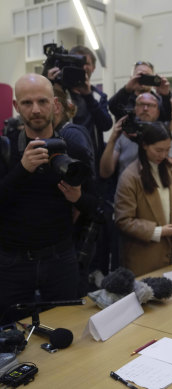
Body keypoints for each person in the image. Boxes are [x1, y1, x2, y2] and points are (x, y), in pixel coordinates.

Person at [0, 74, 96, 324]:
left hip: (60, 259)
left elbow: (96, 208)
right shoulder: (5, 149)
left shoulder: (73, 151)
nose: (35, 110)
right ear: (16, 106)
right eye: (27, 103)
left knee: (65, 330)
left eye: (42, 101)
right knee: (13, 337)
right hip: (12, 263)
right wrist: (22, 169)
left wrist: (78, 198)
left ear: (55, 104)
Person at [114, 122, 172, 276]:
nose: (163, 155)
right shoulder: (130, 176)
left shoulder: (168, 171)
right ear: (144, 145)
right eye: (158, 150)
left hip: (168, 251)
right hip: (143, 255)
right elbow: (123, 220)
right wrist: (158, 231)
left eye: (167, 150)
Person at [46, 45, 113, 171]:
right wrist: (49, 84)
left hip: (92, 159)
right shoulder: (58, 93)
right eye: (76, 63)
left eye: (86, 63)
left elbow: (106, 125)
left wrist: (88, 96)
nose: (82, 67)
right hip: (61, 156)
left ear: (93, 68)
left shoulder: (97, 96)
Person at [100, 92, 172, 180]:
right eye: (141, 104)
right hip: (126, 188)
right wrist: (113, 138)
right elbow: (105, 173)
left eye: (150, 105)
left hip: (155, 189)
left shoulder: (167, 135)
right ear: (135, 109)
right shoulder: (124, 134)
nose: (145, 109)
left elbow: (169, 168)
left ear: (158, 112)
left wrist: (141, 141)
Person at [108, 60, 172, 122]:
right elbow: (112, 107)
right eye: (140, 76)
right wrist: (127, 89)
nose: (143, 79)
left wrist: (165, 95)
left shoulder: (158, 100)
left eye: (147, 76)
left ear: (153, 79)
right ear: (131, 78)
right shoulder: (124, 99)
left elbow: (168, 117)